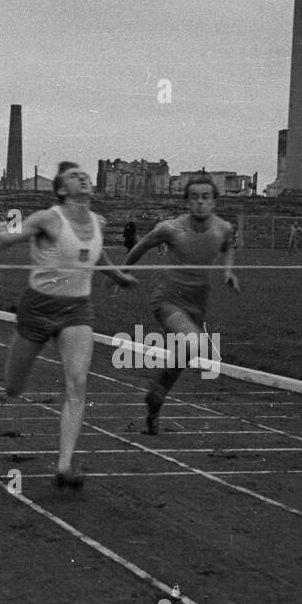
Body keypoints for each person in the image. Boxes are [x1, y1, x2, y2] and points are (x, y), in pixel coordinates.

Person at [0, 162, 136, 487]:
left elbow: (96, 252)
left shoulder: (98, 221)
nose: (83, 177)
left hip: (77, 309)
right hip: (37, 308)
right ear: (61, 189)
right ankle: (15, 388)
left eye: (85, 174)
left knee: (77, 383)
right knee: (13, 387)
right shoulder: (46, 218)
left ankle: (64, 465)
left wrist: (117, 276)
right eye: (73, 175)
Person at [122, 176, 239, 435]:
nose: (200, 202)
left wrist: (228, 271)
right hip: (168, 299)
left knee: (186, 353)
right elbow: (141, 245)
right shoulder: (170, 229)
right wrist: (121, 272)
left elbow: (228, 246)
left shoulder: (223, 228)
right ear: (187, 201)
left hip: (198, 303)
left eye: (205, 197)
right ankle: (157, 393)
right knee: (194, 343)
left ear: (214, 202)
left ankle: (156, 398)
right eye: (194, 197)